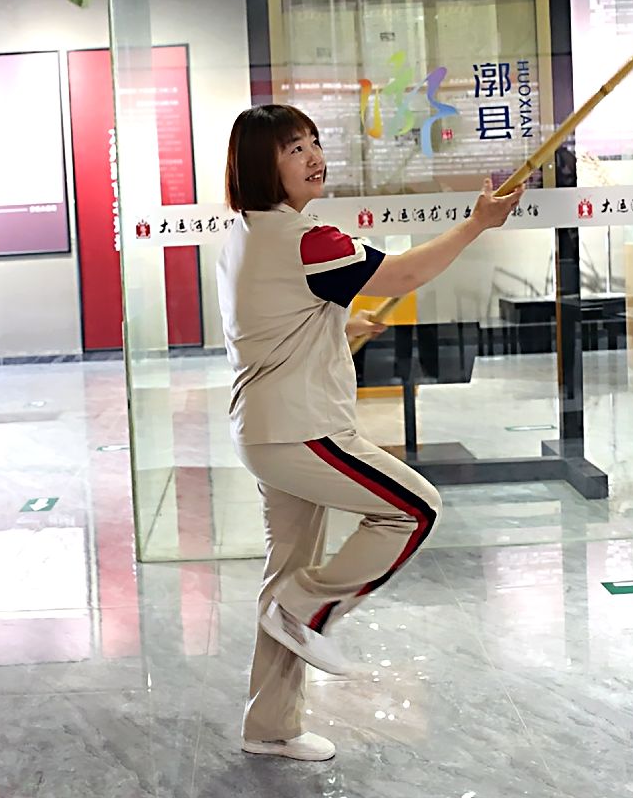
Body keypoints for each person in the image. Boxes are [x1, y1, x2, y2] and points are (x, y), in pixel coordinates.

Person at [217, 104, 524, 762]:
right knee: (413, 509)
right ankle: (306, 608)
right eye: (294, 148)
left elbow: (271, 317)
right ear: (260, 165)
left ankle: (270, 725)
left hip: (263, 429)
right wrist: (476, 223)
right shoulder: (309, 239)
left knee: (286, 571)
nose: (313, 156)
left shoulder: (246, 234)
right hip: (302, 430)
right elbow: (403, 275)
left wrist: (337, 323)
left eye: (313, 142)